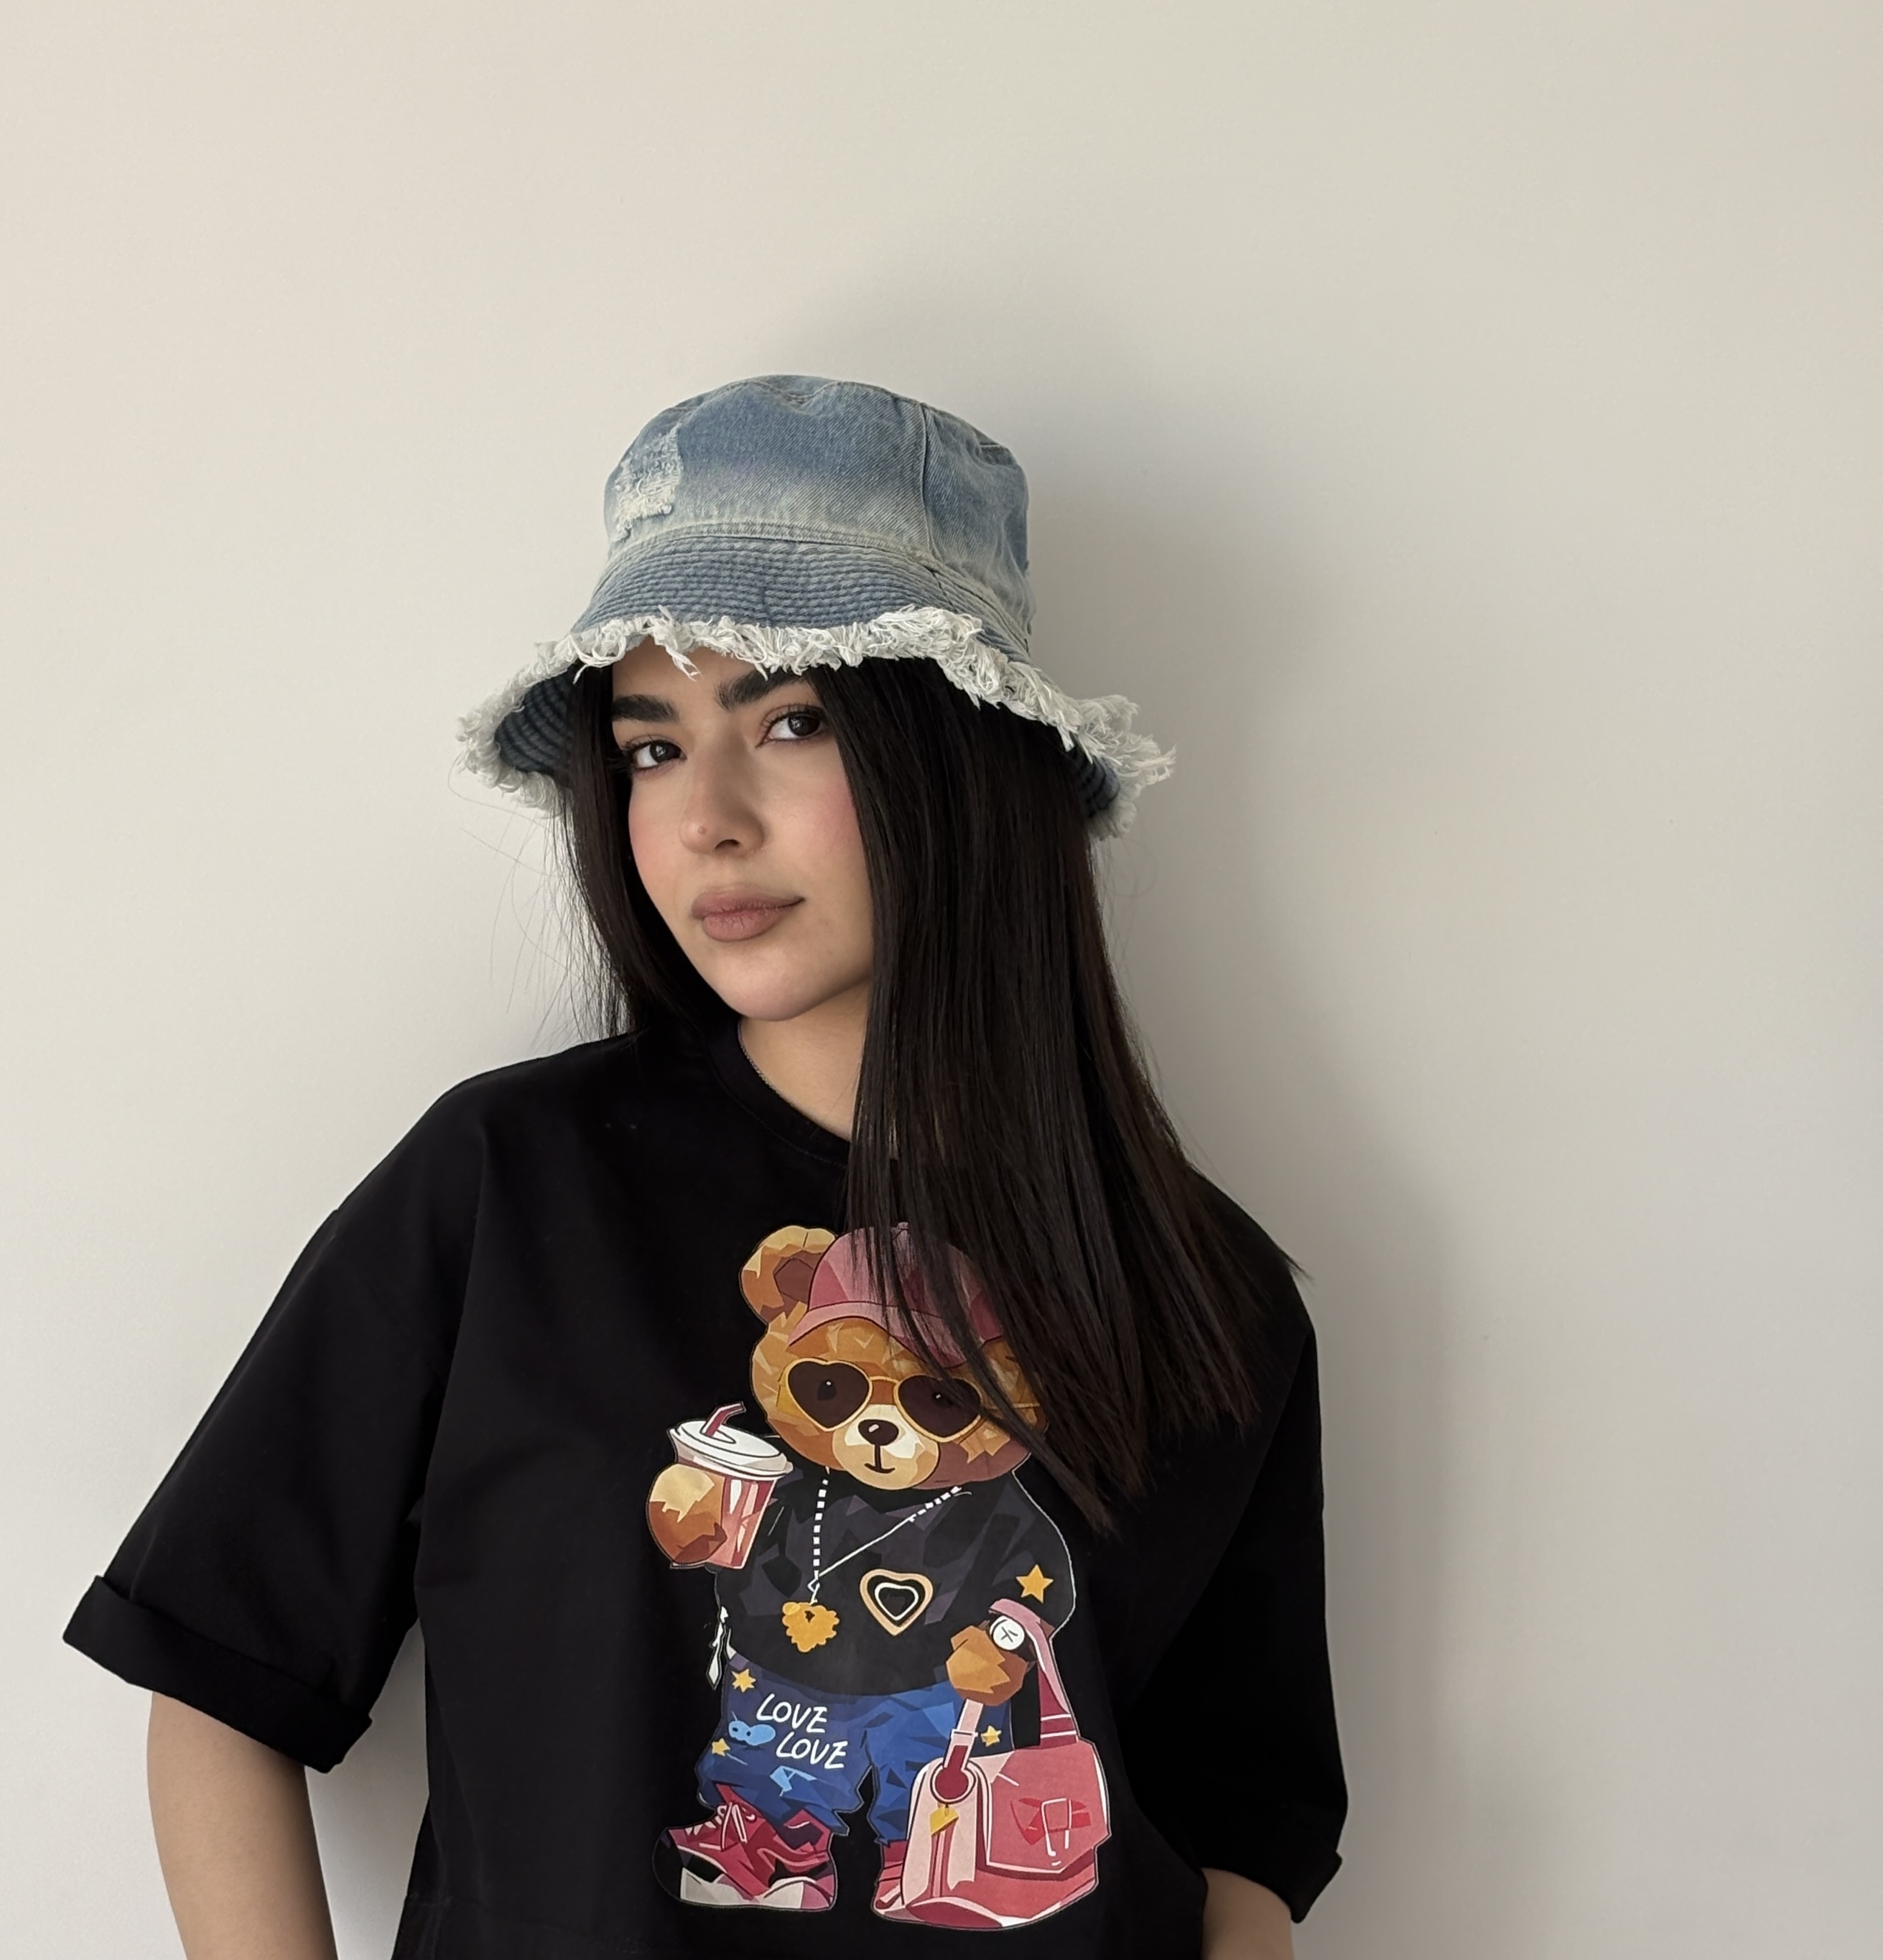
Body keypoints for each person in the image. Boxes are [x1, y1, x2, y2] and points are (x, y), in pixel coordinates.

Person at [65, 375, 1347, 1958]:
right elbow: (218, 1673)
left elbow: (1242, 1830)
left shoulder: (1207, 1289)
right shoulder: (511, 1186)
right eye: (653, 748)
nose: (706, 821)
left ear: (962, 752)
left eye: (792, 721)